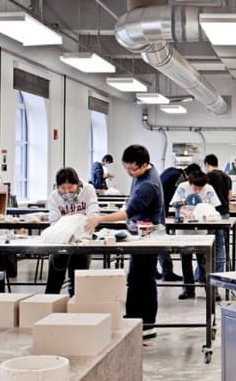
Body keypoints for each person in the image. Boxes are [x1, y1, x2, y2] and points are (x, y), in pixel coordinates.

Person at [83, 145, 165, 339]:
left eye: (133, 169)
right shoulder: (142, 174)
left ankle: (146, 324)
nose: (130, 173)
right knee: (136, 279)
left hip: (149, 235)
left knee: (144, 280)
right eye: (126, 168)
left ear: (145, 164)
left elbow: (128, 212)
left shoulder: (148, 184)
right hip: (140, 233)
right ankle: (135, 320)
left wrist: (99, 219)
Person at [44, 168, 100, 296]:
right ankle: (48, 305)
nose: (67, 192)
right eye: (63, 189)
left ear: (77, 184)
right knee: (55, 277)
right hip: (62, 240)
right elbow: (54, 221)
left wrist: (85, 230)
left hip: (82, 239)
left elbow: (93, 212)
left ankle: (76, 307)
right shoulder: (54, 196)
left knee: (78, 278)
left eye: (70, 188)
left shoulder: (88, 190)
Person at [171, 170, 223, 300]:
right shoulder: (182, 187)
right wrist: (185, 212)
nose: (197, 191)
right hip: (185, 231)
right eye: (195, 187)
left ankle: (211, 290)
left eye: (200, 188)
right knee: (186, 261)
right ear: (190, 183)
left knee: (204, 262)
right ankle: (188, 289)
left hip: (202, 231)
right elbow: (175, 205)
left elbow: (214, 208)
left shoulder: (209, 189)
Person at [156, 165, 185, 282]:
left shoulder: (171, 171)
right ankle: (167, 272)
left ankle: (156, 271)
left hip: (158, 208)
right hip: (158, 211)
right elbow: (175, 198)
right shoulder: (179, 177)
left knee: (155, 241)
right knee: (162, 241)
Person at [204, 154, 233, 272]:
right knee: (220, 243)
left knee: (207, 244)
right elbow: (230, 196)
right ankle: (220, 273)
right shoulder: (227, 176)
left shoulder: (207, 177)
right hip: (224, 213)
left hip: (211, 214)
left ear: (206, 164)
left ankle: (204, 273)